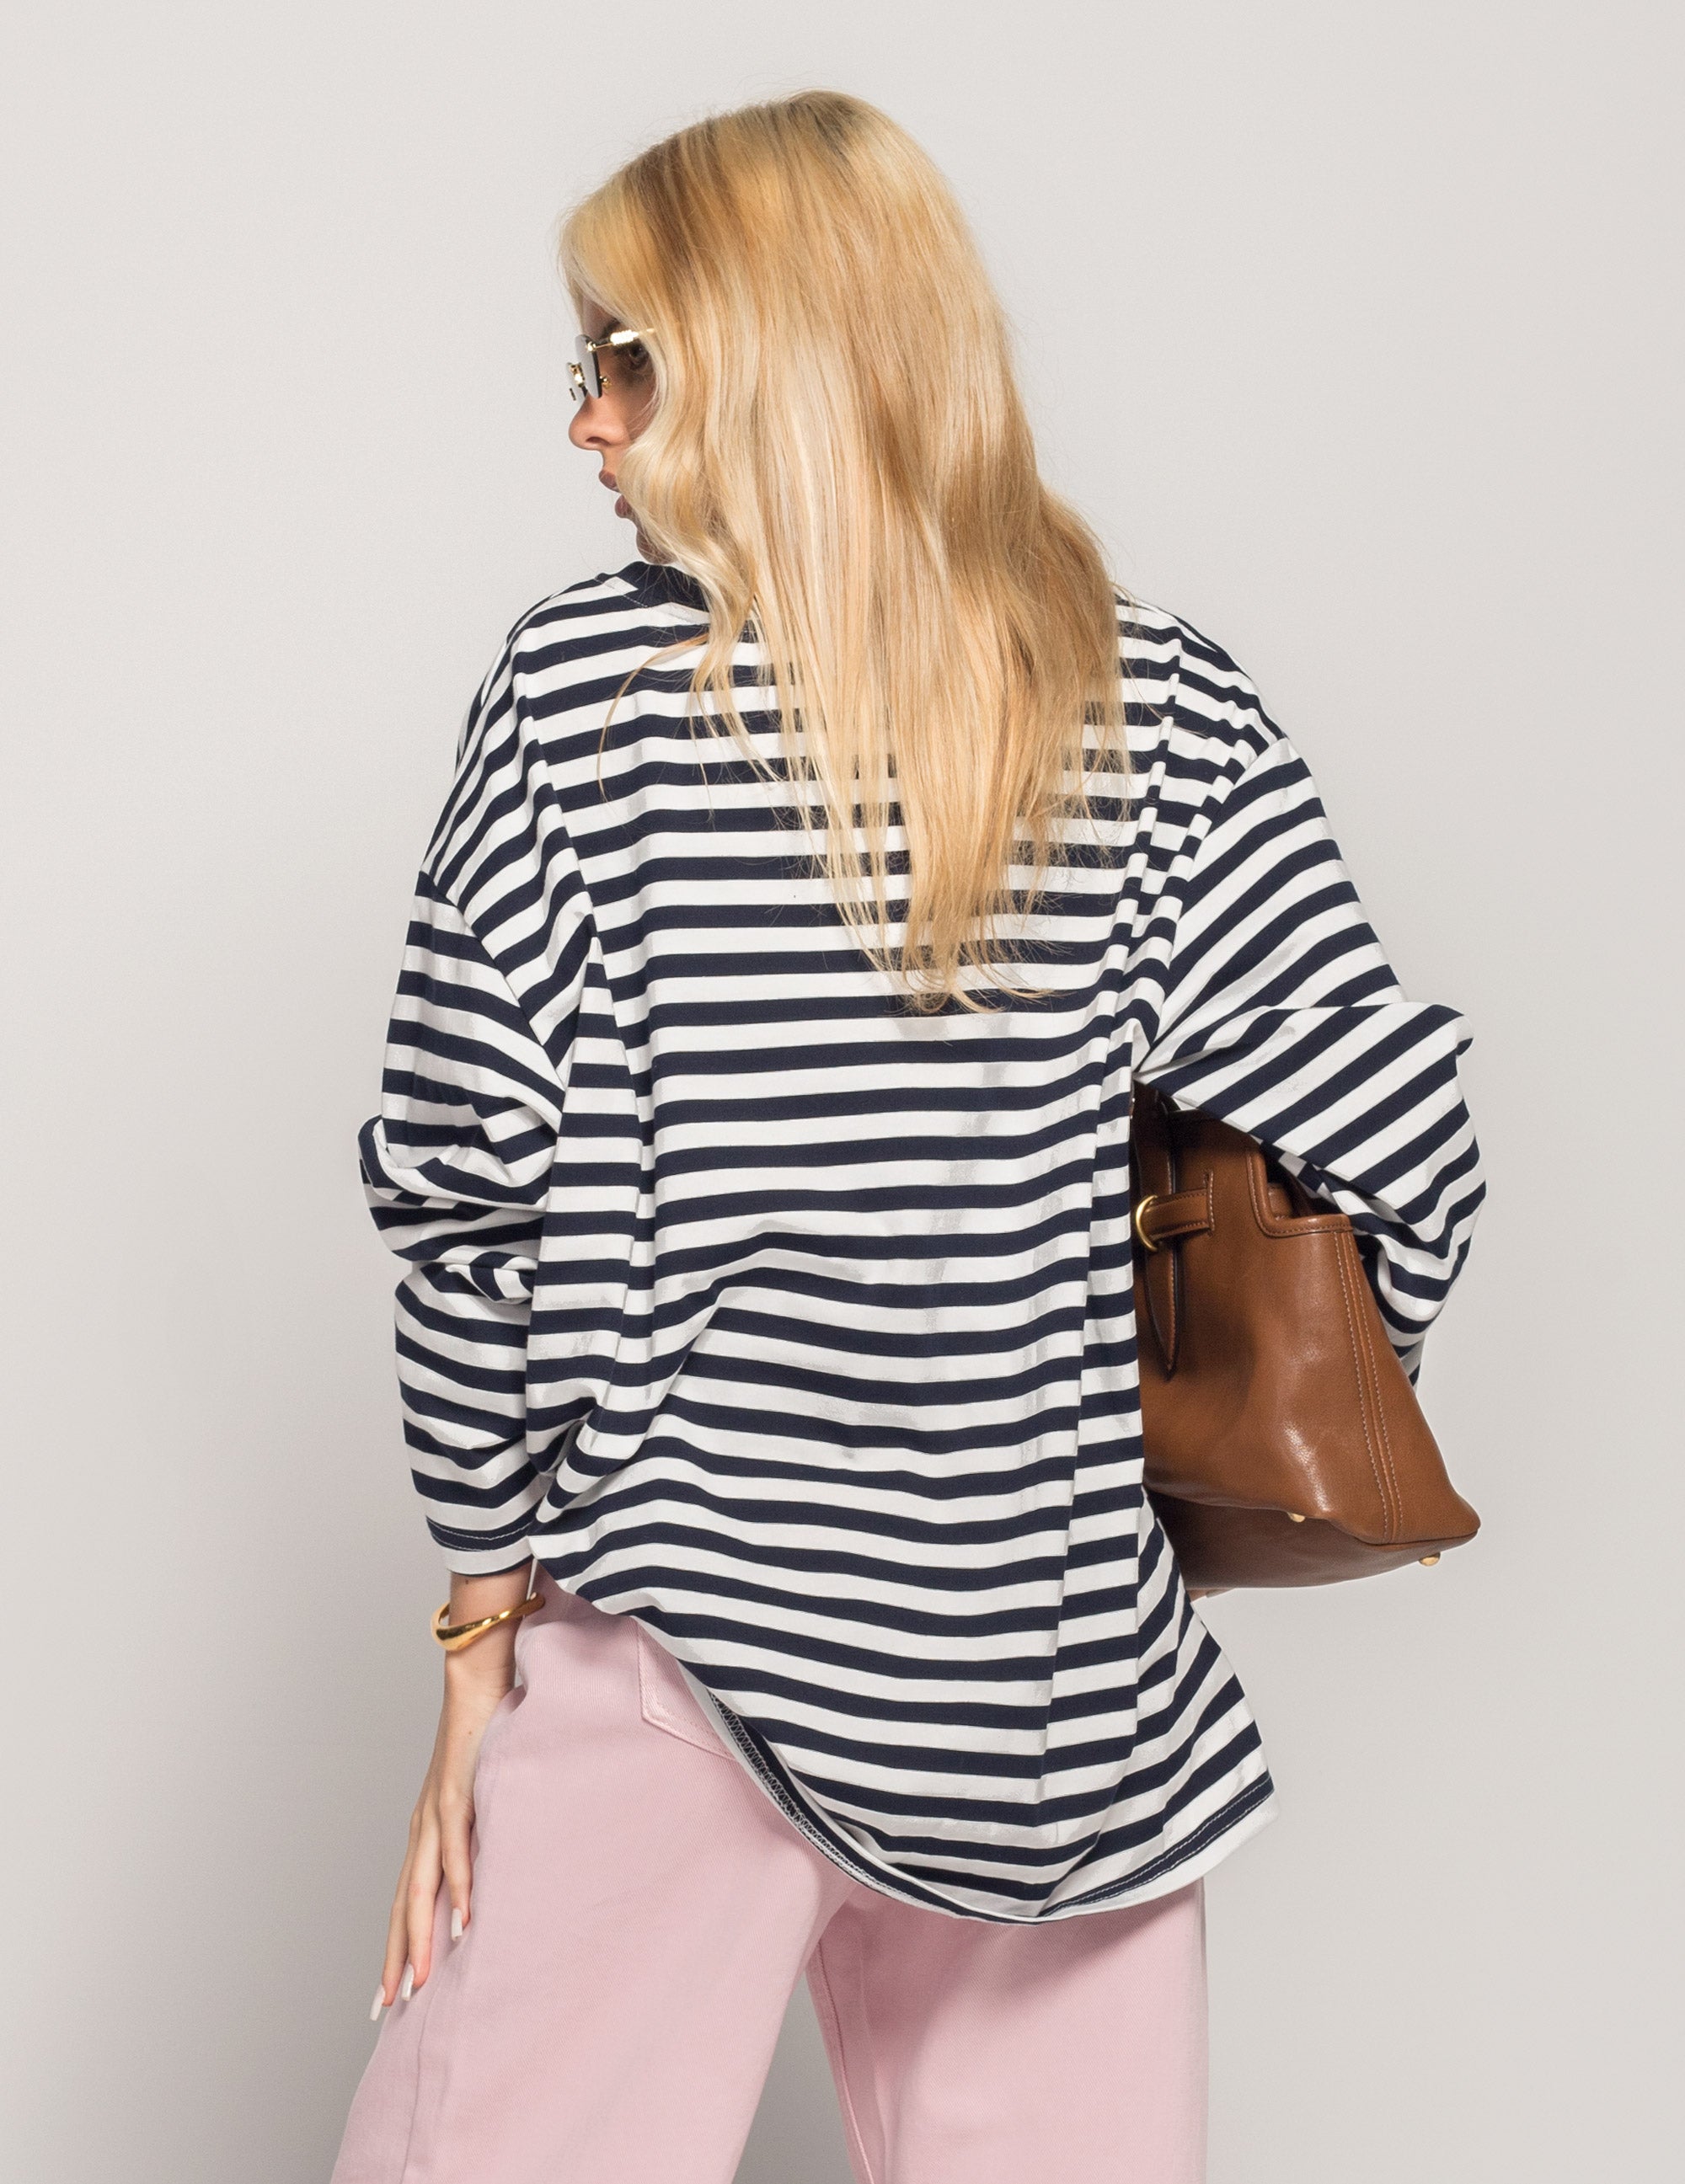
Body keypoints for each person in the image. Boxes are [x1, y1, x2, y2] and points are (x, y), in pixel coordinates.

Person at [329, 90, 1482, 2184]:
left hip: (683, 1639)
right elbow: (1397, 1147)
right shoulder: (1160, 707)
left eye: (625, 360)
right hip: (1060, 1697)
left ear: (776, 362)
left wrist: (479, 1640)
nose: (583, 422)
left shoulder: (586, 698)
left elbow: (465, 1189)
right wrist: (1147, 1437)